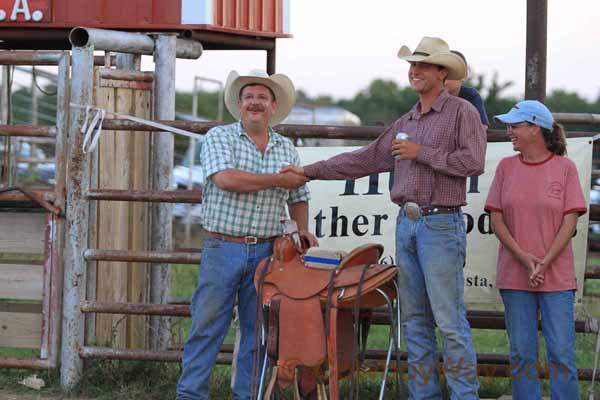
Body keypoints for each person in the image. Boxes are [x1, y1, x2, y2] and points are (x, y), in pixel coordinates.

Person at [283, 36, 485, 399]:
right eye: (413, 65)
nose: (415, 71)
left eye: (423, 65)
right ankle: (424, 395)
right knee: (415, 320)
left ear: (442, 72)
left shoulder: (462, 113)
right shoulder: (406, 119)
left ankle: (464, 395)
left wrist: (420, 153)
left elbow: (473, 163)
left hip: (440, 222)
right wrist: (309, 171)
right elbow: (366, 158)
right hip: (408, 224)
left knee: (449, 321)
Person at [176, 69, 317, 400]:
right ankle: (191, 395)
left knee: (259, 333)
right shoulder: (219, 137)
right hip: (223, 245)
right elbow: (225, 180)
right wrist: (277, 181)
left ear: (273, 105)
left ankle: (247, 396)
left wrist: (303, 230)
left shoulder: (286, 147)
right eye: (250, 97)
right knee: (207, 327)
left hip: (269, 251)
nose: (256, 102)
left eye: (262, 97)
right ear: (239, 105)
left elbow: (299, 196)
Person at [484, 100, 585, 399]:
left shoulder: (565, 168)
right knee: (522, 354)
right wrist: (525, 259)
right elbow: (497, 219)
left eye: (515, 126)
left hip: (557, 277)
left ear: (535, 128)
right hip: (516, 277)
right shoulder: (505, 167)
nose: (509, 131)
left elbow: (570, 222)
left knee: (561, 354)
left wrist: (544, 262)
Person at [444, 50, 489, 127]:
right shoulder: (431, 96)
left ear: (464, 76)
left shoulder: (471, 95)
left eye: (451, 74)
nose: (444, 78)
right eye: (442, 72)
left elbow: (482, 126)